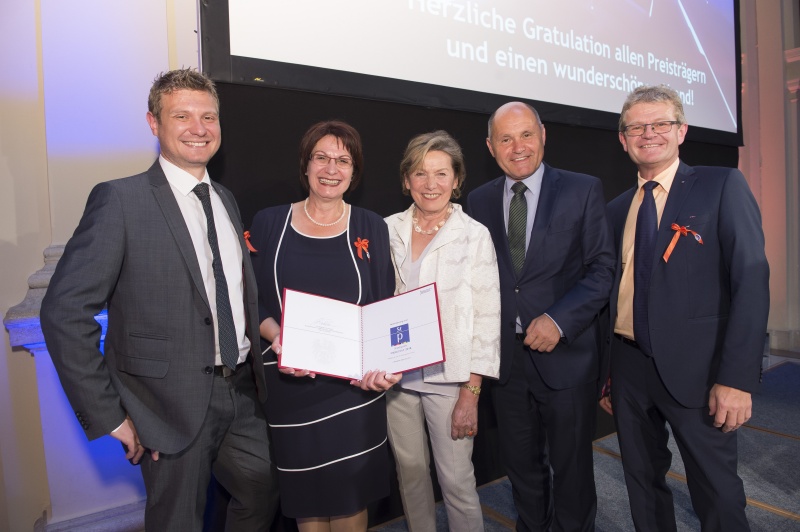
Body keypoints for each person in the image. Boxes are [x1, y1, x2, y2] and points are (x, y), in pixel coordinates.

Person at [39, 69, 278, 530]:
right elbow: (64, 312)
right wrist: (111, 417)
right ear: (154, 123)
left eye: (209, 117)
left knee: (263, 486)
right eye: (182, 116)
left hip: (240, 392)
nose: (199, 128)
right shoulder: (120, 200)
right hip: (163, 407)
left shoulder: (225, 199)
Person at [600, 85, 770, 531]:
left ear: (682, 131)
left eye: (660, 124)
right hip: (629, 369)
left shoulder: (720, 185)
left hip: (701, 370)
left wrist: (735, 379)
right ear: (623, 139)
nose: (648, 133)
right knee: (641, 482)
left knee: (715, 491)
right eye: (636, 126)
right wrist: (608, 374)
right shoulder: (618, 209)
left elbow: (751, 282)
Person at [466, 102, 615, 531]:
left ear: (543, 135)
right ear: (491, 146)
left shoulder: (582, 189)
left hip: (565, 359)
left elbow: (602, 269)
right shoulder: (479, 200)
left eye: (526, 135)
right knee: (523, 471)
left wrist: (558, 320)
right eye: (506, 139)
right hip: (507, 365)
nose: (518, 147)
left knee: (572, 473)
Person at [248, 120, 399, 532]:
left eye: (343, 160)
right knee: (307, 503)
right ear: (306, 164)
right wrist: (279, 338)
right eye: (322, 157)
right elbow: (253, 302)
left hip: (354, 390)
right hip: (291, 386)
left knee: (350, 500)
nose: (331, 169)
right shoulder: (268, 222)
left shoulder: (371, 226)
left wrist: (383, 367)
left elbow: (382, 305)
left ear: (355, 170)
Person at [384, 131, 501, 531]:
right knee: (411, 474)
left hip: (449, 379)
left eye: (440, 174)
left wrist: (471, 391)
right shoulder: (386, 229)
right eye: (420, 173)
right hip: (395, 378)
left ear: (456, 179)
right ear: (406, 180)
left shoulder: (474, 235)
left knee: (455, 481)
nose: (430, 184)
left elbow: (488, 317)